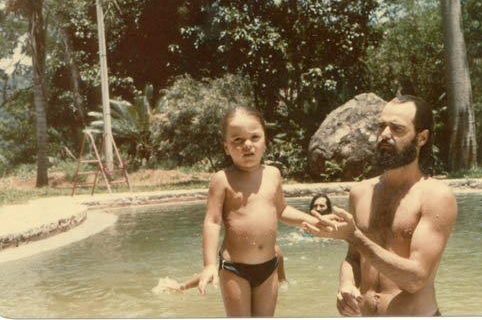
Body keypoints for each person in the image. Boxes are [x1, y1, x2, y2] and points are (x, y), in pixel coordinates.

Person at [303, 95, 458, 316]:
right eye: (382, 126)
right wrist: (346, 285)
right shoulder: (360, 193)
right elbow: (353, 258)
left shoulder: (436, 197)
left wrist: (355, 236)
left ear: (421, 138)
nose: (385, 135)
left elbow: (415, 279)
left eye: (397, 129)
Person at [198, 106, 320, 317]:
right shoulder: (222, 179)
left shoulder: (273, 174)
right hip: (234, 269)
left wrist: (313, 221)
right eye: (237, 140)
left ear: (265, 140)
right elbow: (213, 221)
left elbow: (281, 210)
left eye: (255, 137)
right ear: (226, 147)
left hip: (269, 267)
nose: (247, 145)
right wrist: (209, 265)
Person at [153, 245, 287, 294]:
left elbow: (282, 282)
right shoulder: (238, 254)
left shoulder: (276, 252)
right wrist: (183, 286)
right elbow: (216, 272)